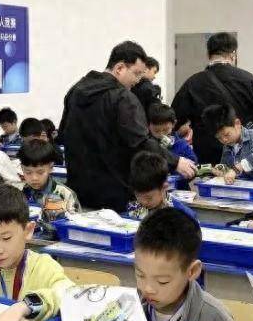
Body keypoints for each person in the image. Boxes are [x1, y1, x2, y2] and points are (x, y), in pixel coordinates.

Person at [59, 41, 194, 211]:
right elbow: (141, 143)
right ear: (120, 68)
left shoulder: (75, 91)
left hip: (78, 191)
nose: (137, 81)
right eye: (136, 74)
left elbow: (63, 134)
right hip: (115, 194)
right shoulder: (122, 98)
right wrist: (175, 161)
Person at [135, 208, 253, 321]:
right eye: (140, 275)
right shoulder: (133, 305)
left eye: (162, 281)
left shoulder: (214, 318)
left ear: (192, 271)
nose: (147, 288)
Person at [0, 185, 76, 321]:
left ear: (28, 231)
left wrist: (25, 306)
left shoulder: (43, 266)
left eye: (6, 238)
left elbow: (69, 293)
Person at [171, 32, 253, 165]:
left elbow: (174, 118)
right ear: (233, 54)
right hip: (242, 153)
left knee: (210, 178)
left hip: (207, 153)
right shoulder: (248, 80)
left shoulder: (193, 82)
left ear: (208, 54)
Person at [203, 104, 253, 182]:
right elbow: (227, 167)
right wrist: (219, 170)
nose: (224, 140)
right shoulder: (228, 145)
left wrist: (237, 169)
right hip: (241, 186)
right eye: (219, 138)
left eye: (227, 134)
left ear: (237, 124)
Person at [126, 151, 196, 220]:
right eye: (138, 196)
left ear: (164, 187)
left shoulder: (183, 216)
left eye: (148, 198)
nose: (143, 202)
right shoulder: (133, 208)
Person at [18, 138, 80, 213]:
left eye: (40, 172)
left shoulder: (65, 194)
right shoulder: (18, 193)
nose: (34, 178)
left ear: (51, 167)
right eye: (28, 172)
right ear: (22, 168)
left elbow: (76, 219)